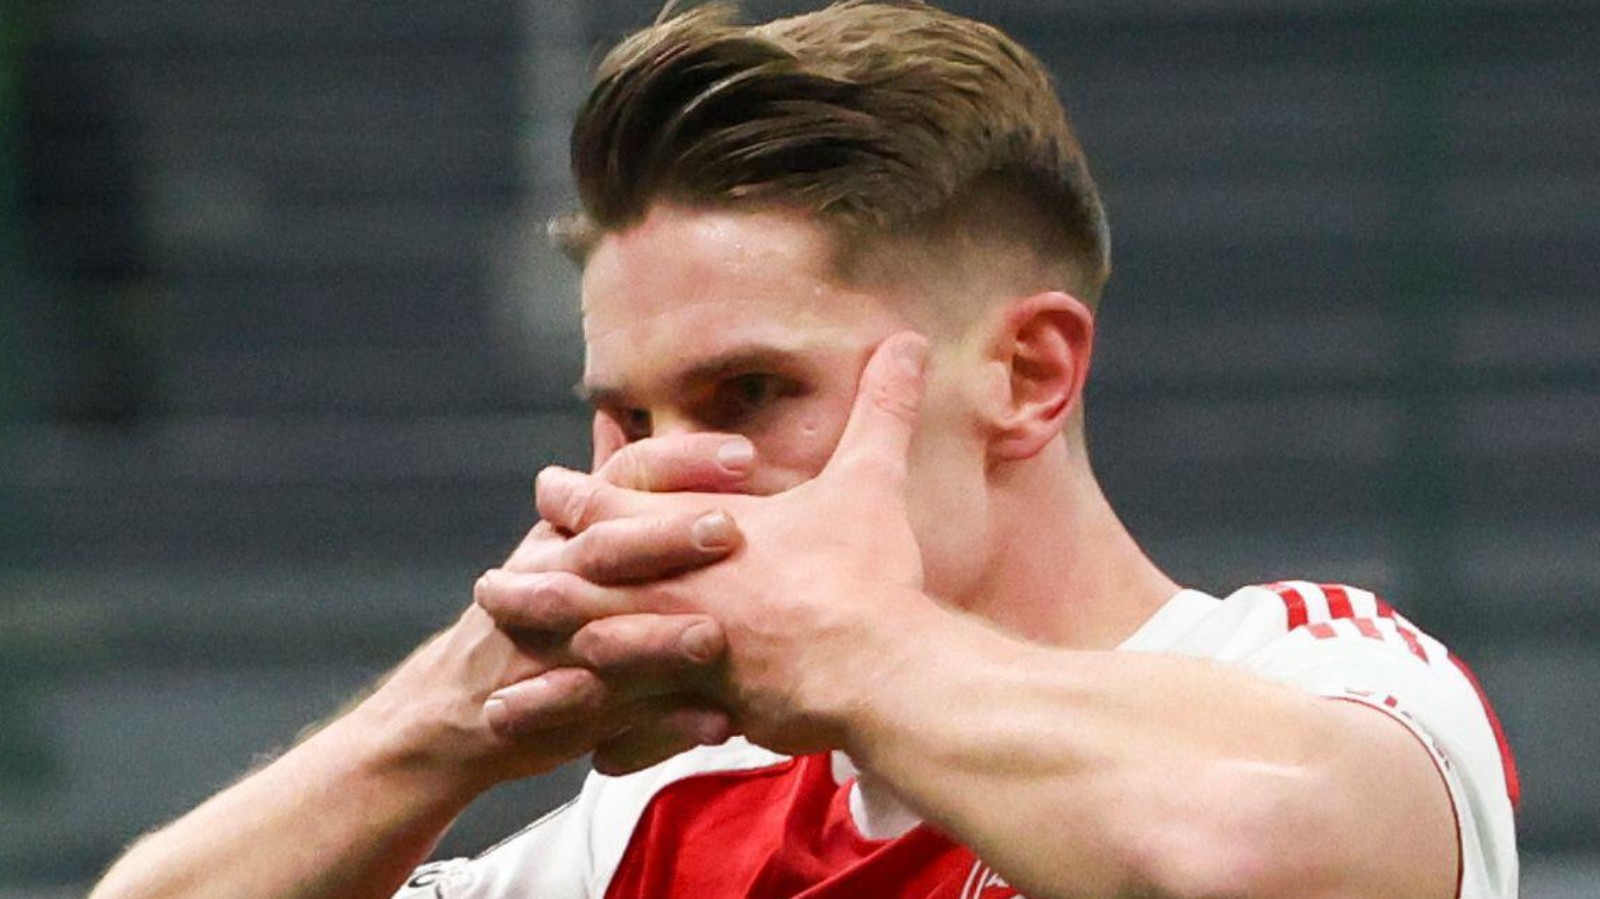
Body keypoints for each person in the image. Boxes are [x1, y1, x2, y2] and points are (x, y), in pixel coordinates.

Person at [88, 2, 1519, 898]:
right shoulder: (661, 818)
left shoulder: (1312, 680)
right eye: (627, 417)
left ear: (1027, 376)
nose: (659, 480)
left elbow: (1261, 864)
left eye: (753, 392)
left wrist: (848, 646)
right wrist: (445, 724)